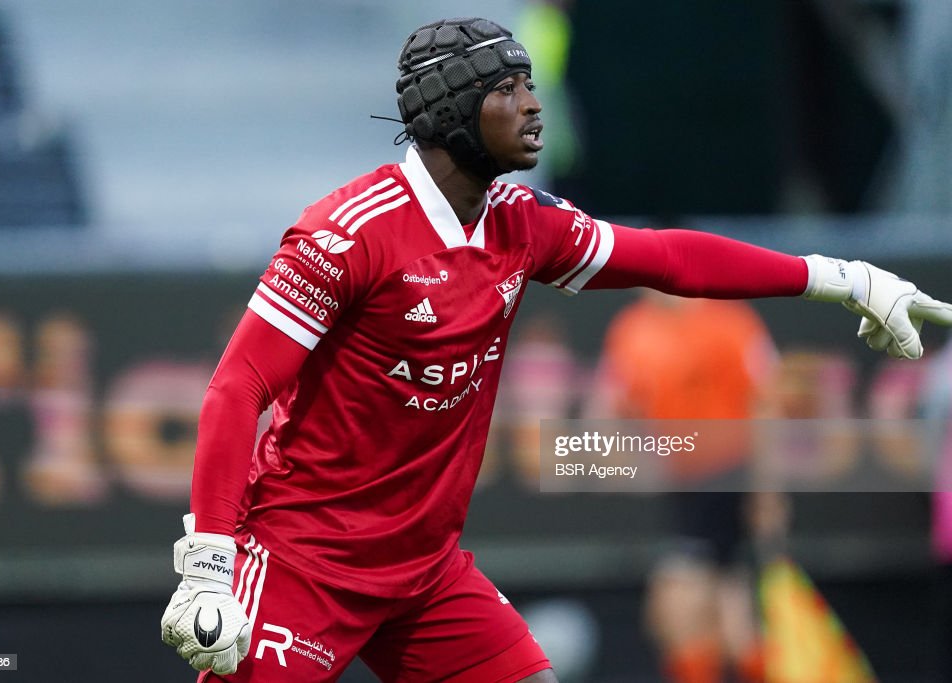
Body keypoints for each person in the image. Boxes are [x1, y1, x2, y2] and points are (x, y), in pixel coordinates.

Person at [159, 17, 952, 683]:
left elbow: (671, 258)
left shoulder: (522, 223)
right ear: (452, 113)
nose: (534, 106)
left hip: (425, 573)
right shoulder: (346, 235)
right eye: (509, 91)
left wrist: (838, 276)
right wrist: (209, 563)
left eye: (530, 85)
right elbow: (237, 388)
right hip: (305, 561)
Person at [595, 291, 776, 683]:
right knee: (728, 606)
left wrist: (766, 492)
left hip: (725, 478)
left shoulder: (730, 322)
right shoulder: (634, 327)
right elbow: (615, 403)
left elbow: (762, 405)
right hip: (682, 485)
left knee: (681, 604)